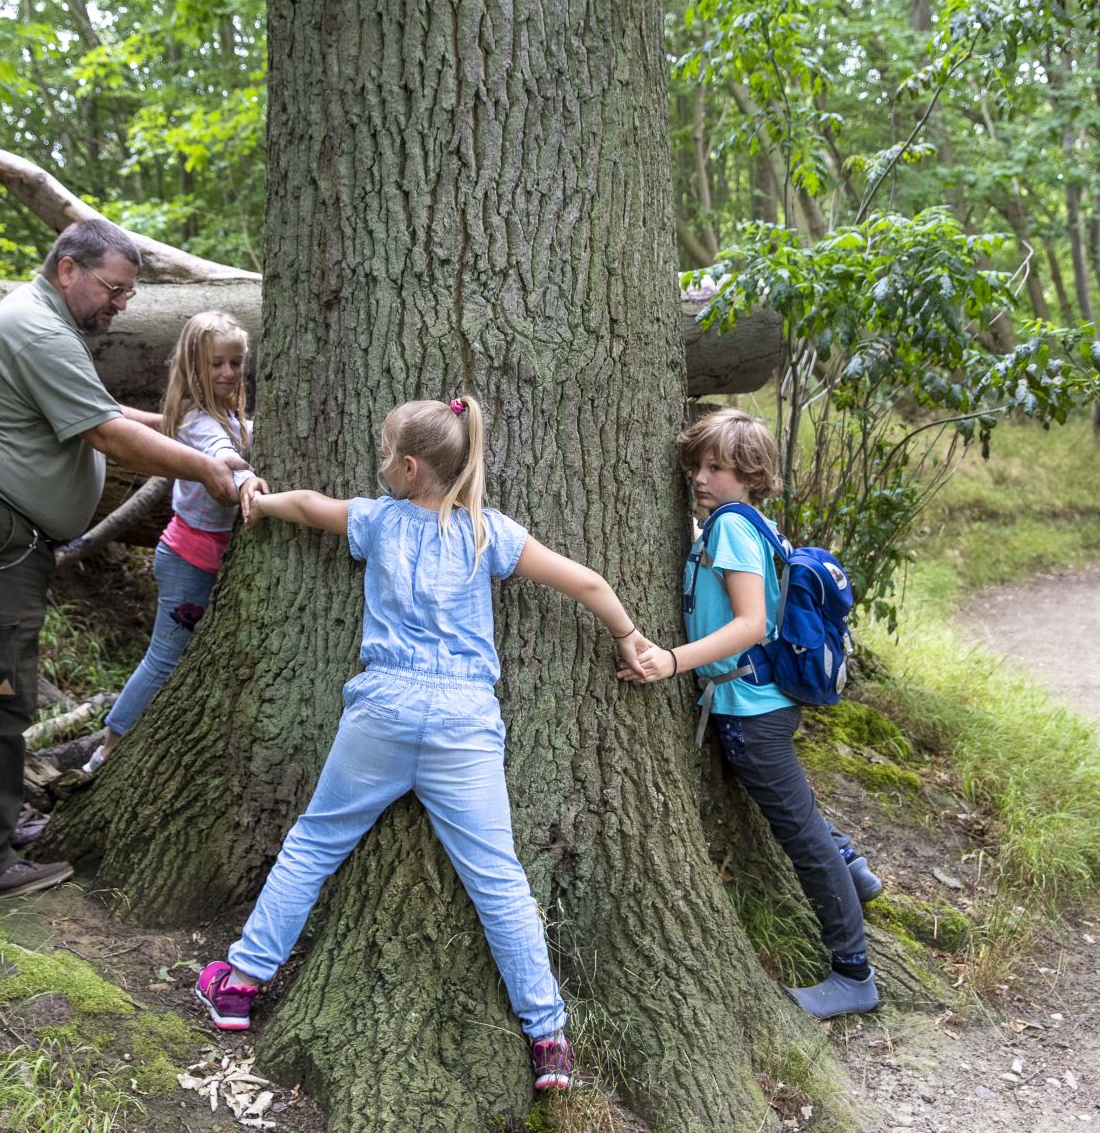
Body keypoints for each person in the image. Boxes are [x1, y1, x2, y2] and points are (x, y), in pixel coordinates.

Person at [192, 396, 651, 1094]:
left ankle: (240, 985)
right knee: (498, 879)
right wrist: (628, 636)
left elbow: (310, 506)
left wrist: (261, 499)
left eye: (385, 454)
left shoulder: (378, 520)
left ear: (409, 468)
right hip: (464, 721)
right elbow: (587, 582)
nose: (380, 464)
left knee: (315, 842)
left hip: (384, 709)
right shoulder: (487, 532)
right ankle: (548, 1037)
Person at [0, 219, 245, 909]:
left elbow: (102, 410)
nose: (120, 305)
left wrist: (179, 427)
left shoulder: (47, 325)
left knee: (3, 687)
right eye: (113, 290)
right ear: (68, 269)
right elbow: (105, 433)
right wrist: (208, 467)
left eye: (127, 294)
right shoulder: (38, 330)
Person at [623, 407, 881, 1020]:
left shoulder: (733, 527)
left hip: (753, 713)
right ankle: (853, 867)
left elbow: (751, 624)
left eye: (718, 468)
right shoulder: (745, 524)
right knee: (799, 816)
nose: (701, 477)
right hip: (758, 704)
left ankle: (854, 975)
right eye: (698, 465)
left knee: (803, 839)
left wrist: (671, 661)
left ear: (750, 475)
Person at [83, 310, 262, 771]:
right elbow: (220, 453)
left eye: (235, 362)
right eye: (216, 363)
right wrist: (247, 481)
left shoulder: (224, 413)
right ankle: (108, 749)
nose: (228, 372)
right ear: (193, 367)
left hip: (204, 557)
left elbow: (236, 437)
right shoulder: (199, 421)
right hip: (190, 559)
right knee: (165, 657)